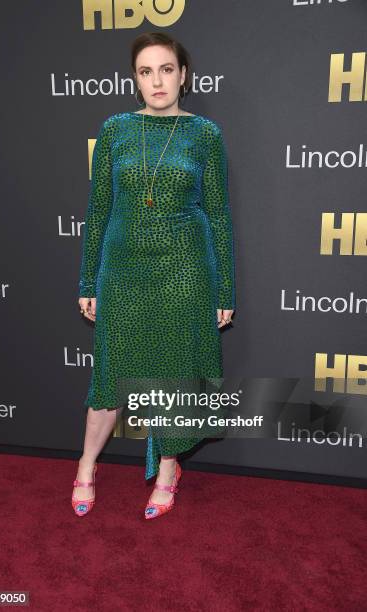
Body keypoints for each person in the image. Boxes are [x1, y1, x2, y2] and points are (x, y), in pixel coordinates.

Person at [72, 31, 236, 520]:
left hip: (185, 271)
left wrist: (224, 286)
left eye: (166, 69)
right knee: (110, 378)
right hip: (122, 273)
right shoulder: (116, 129)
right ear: (135, 79)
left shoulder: (205, 134)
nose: (157, 80)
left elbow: (220, 215)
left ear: (184, 75)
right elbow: (99, 209)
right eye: (146, 71)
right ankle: (86, 465)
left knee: (175, 376)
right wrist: (87, 280)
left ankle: (168, 470)